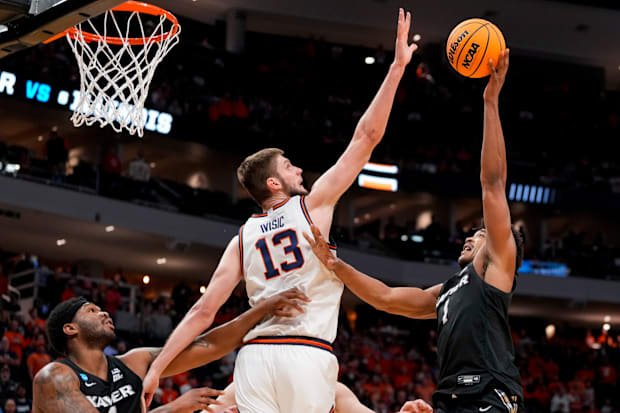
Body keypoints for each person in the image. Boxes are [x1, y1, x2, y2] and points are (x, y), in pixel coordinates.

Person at [142, 8, 418, 413]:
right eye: (289, 166)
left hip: (254, 360)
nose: (299, 169)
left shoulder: (242, 237)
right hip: (305, 354)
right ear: (273, 183)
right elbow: (367, 136)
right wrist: (396, 69)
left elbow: (204, 311)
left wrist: (157, 370)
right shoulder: (314, 204)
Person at [303, 50, 525, 413]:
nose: (472, 236)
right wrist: (336, 265)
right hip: (450, 398)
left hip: (490, 395)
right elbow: (387, 298)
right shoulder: (449, 290)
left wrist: (490, 100)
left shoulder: (497, 267)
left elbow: (493, 183)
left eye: (481, 234)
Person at [33, 289, 308, 413]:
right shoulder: (54, 378)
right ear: (70, 329)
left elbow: (208, 345)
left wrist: (260, 310)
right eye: (91, 311)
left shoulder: (134, 362)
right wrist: (173, 408)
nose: (103, 311)